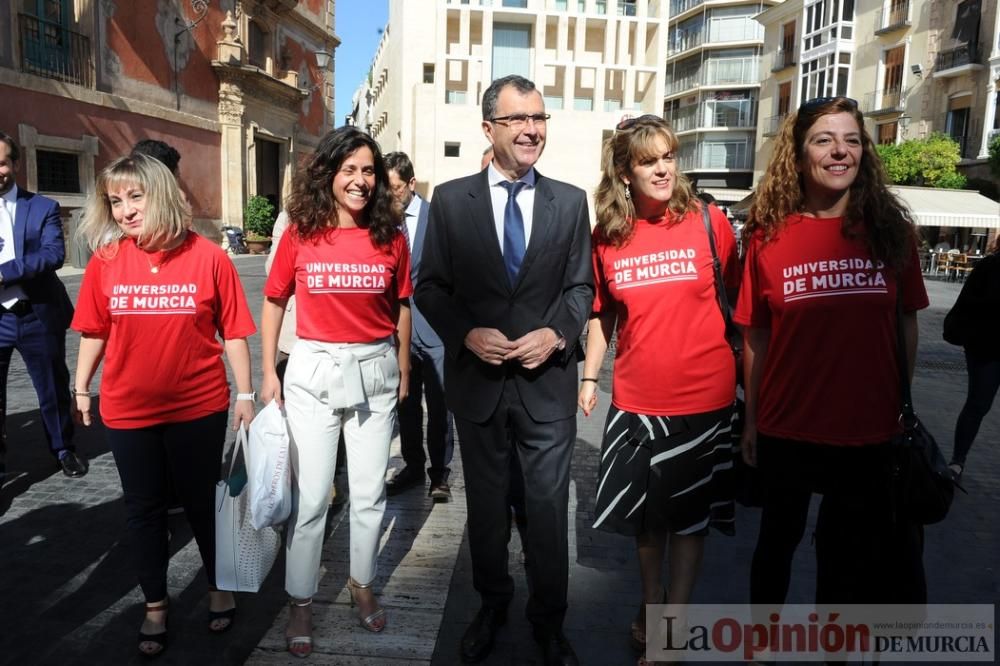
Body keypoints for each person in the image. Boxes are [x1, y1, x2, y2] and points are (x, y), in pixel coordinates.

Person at [415, 74, 593, 666]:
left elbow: (580, 286)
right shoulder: (449, 200)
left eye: (539, 119)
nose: (531, 130)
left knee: (547, 513)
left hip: (548, 388)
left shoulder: (570, 201)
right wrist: (466, 332)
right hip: (480, 388)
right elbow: (430, 286)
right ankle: (491, 605)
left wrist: (559, 333)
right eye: (517, 119)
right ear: (488, 128)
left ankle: (549, 621)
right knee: (486, 514)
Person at [734, 97, 929, 620]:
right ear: (798, 157)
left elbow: (906, 321)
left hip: (866, 433)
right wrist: (751, 421)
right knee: (775, 547)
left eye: (852, 139)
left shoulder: (892, 233)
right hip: (787, 427)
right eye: (824, 140)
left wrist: (897, 405)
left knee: (845, 561)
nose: (840, 151)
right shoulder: (767, 237)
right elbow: (757, 337)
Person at [71, 153, 256, 658]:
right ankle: (155, 604)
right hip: (128, 409)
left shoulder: (209, 257)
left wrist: (245, 394)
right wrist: (81, 386)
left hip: (198, 406)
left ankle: (219, 585)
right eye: (115, 201)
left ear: (161, 193)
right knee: (143, 510)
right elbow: (94, 329)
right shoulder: (106, 262)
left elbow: (235, 331)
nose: (126, 211)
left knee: (201, 503)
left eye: (136, 196)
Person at [579, 115, 738, 666]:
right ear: (625, 171)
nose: (663, 167)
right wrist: (589, 376)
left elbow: (739, 301)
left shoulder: (709, 222)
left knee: (691, 521)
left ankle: (675, 627)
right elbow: (602, 313)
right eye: (648, 160)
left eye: (668, 155)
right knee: (648, 522)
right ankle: (652, 605)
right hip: (638, 398)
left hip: (707, 397)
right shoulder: (608, 237)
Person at [260, 126, 412, 657]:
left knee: (370, 492)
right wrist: (266, 372)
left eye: (368, 170)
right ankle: (300, 599)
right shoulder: (300, 234)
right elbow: (275, 300)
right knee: (312, 498)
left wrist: (404, 366)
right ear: (328, 174)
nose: (361, 180)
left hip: (375, 368)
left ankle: (361, 582)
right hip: (313, 368)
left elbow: (402, 305)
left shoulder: (391, 235)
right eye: (349, 169)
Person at [0, 131, 83, 480]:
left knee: (50, 385)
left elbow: (53, 254)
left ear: (16, 164)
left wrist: (4, 273)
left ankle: (63, 448)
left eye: (2, 162)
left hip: (36, 313)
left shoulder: (43, 207)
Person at [384, 151, 455, 502]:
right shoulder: (381, 223)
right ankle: (413, 467)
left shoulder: (437, 218)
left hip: (437, 331)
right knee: (406, 403)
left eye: (395, 188)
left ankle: (440, 474)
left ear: (411, 184)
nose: (390, 195)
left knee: (441, 404)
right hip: (397, 332)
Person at [948, 234, 1000, 482]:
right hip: (986, 347)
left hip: (983, 346)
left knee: (977, 404)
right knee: (979, 403)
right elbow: (969, 303)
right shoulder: (989, 267)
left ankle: (958, 461)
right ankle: (958, 460)